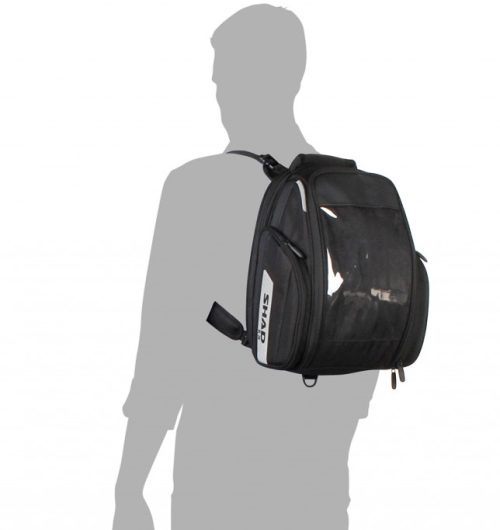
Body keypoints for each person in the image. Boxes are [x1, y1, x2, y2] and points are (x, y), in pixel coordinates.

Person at [113, 5, 379, 530]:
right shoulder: (348, 196)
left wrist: (129, 485)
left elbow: (161, 351)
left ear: (251, 81)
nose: (218, 94)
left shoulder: (194, 188)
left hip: (216, 481)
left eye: (224, 80)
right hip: (319, 486)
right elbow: (366, 338)